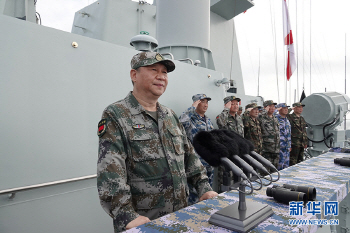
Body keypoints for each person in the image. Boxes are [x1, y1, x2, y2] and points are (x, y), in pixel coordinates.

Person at [97, 51, 218, 233]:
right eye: (154, 70)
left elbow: (190, 157)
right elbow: (110, 172)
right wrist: (126, 215)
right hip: (144, 223)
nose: (161, 77)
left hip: (180, 217)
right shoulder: (116, 114)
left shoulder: (170, 116)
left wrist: (204, 188)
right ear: (134, 75)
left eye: (165, 72)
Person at [179, 94, 214, 204]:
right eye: (202, 102)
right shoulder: (190, 119)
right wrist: (192, 108)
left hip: (209, 161)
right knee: (194, 193)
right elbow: (180, 123)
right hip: (196, 163)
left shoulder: (208, 120)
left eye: (207, 102)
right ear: (196, 103)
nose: (205, 104)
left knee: (208, 191)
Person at [259, 100, 280, 169]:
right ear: (265, 107)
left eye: (273, 106)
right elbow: (258, 117)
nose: (273, 108)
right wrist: (264, 111)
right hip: (266, 149)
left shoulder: (275, 118)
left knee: (274, 169)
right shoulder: (262, 118)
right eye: (270, 106)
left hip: (276, 149)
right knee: (265, 170)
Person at [276, 103, 292, 170]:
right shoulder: (276, 119)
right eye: (284, 108)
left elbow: (289, 133)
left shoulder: (287, 120)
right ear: (279, 109)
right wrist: (276, 110)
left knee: (286, 166)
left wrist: (289, 145)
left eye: (286, 108)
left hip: (286, 148)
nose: (286, 110)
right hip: (280, 147)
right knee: (279, 166)